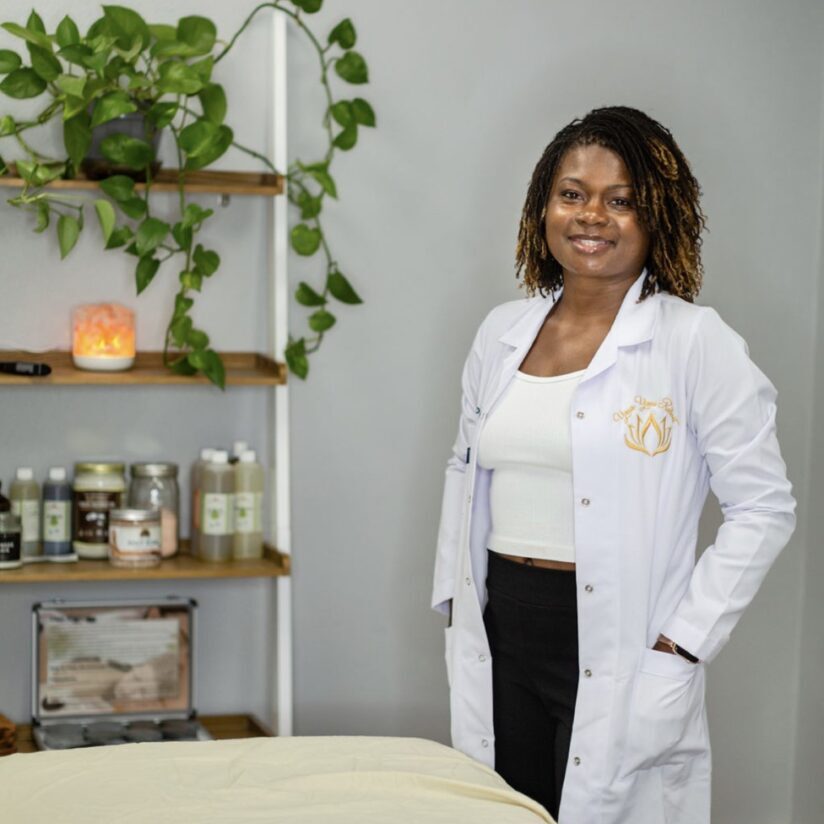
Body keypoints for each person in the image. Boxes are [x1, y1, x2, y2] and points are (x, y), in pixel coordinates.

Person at [431, 106, 796, 824]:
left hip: (618, 639)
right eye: (572, 193)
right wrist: (456, 597)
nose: (591, 215)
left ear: (658, 214)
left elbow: (765, 508)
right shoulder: (502, 332)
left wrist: (681, 643)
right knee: (507, 810)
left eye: (620, 199)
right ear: (544, 207)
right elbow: (465, 468)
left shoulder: (694, 343)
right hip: (503, 625)